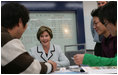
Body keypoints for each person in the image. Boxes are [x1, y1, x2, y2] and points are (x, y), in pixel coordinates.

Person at [1, 2, 57, 74]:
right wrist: (51, 65)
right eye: (42, 36)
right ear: (20, 21)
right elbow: (32, 69)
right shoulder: (5, 39)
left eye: (46, 36)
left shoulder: (57, 48)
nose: (44, 38)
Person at [73, 1, 117, 66]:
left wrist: (88, 59)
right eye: (98, 3)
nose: (94, 27)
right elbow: (105, 63)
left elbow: (115, 62)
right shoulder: (103, 41)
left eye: (96, 23)